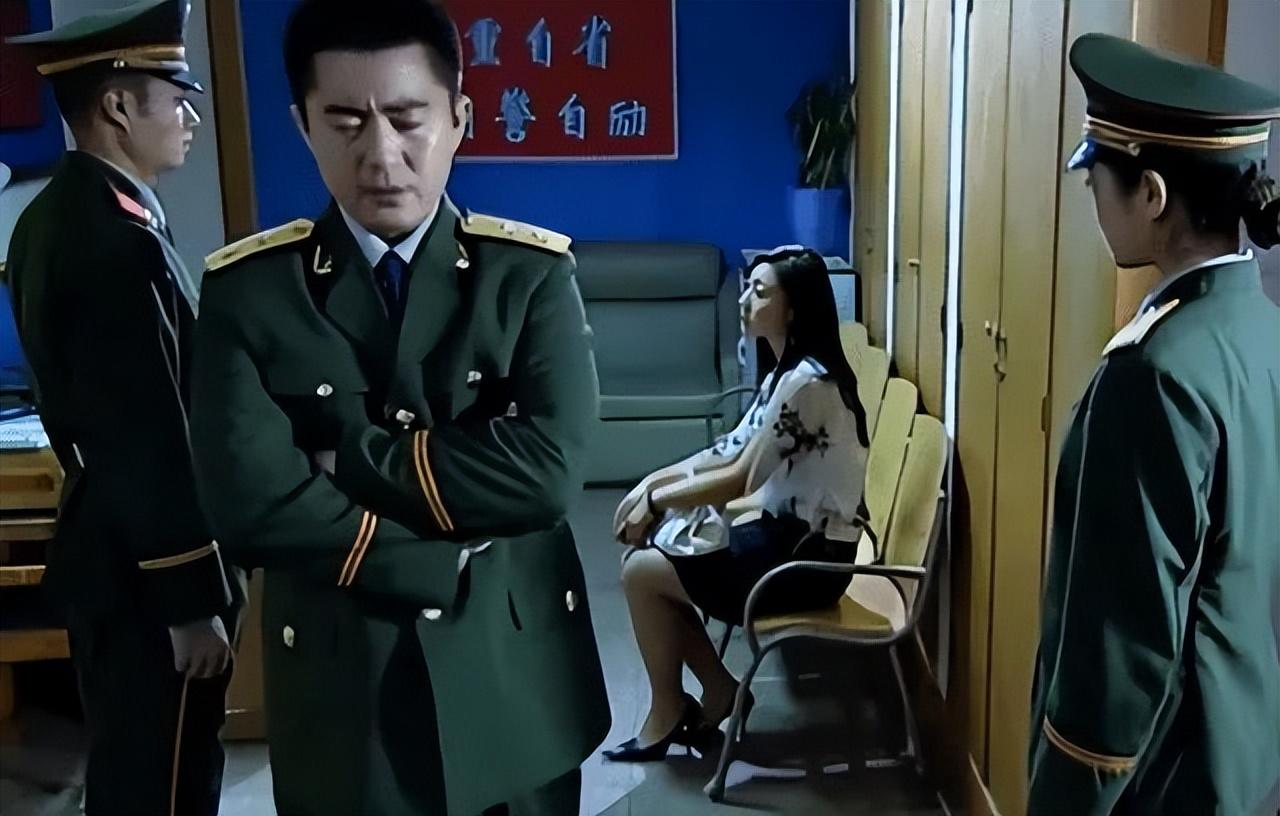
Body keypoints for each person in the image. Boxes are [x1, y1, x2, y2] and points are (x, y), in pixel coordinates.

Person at [188, 1, 609, 814]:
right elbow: (250, 505)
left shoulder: (527, 277)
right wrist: (430, 554)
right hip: (343, 683)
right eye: (345, 122)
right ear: (303, 125)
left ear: (458, 120)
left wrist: (342, 457)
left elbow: (548, 475)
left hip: (514, 670)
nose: (381, 155)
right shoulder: (250, 293)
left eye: (408, 119)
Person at [1029, 33, 1280, 815]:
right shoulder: (1261, 329)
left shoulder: (1154, 374)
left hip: (1162, 773)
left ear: (1152, 194)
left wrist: (1067, 796)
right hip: (1239, 743)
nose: (1092, 196)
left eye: (1097, 177)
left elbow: (1122, 650)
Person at [4, 2, 239, 814]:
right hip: (144, 575)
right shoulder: (115, 243)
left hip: (109, 548)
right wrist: (191, 601)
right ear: (115, 107)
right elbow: (145, 436)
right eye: (174, 98)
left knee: (135, 771)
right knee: (164, 782)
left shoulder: (53, 216)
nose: (190, 119)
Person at [603, 247, 872, 762]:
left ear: (793, 309)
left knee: (642, 572)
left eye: (760, 291)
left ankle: (678, 705)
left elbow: (740, 479)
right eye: (747, 287)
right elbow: (728, 450)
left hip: (811, 562)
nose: (745, 299)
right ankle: (713, 690)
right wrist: (650, 484)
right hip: (786, 541)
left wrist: (656, 501)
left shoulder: (809, 383)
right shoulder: (785, 374)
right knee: (649, 566)